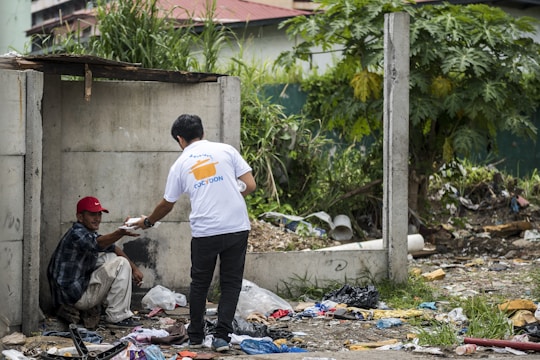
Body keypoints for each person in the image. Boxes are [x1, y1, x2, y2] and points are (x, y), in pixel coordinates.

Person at [131, 114, 256, 352]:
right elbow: (250, 185)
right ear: (203, 132)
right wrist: (228, 191)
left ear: (180, 139)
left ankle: (196, 336)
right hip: (236, 227)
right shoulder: (226, 151)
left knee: (199, 284)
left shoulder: (180, 164)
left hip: (206, 231)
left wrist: (147, 221)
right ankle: (221, 338)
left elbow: (168, 204)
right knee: (231, 284)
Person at [47, 196, 144, 329]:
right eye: (92, 214)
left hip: (76, 290)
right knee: (121, 263)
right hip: (72, 298)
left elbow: (112, 247)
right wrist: (119, 233)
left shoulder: (87, 232)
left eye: (99, 214)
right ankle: (117, 316)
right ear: (80, 217)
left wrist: (135, 269)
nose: (97, 218)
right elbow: (97, 244)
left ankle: (109, 307)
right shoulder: (77, 233)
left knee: (110, 256)